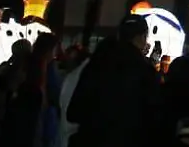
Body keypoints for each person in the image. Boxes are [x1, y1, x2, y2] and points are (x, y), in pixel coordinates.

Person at [68, 14, 161, 147]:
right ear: (142, 37)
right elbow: (153, 121)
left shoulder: (96, 65)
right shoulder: (146, 72)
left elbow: (74, 112)